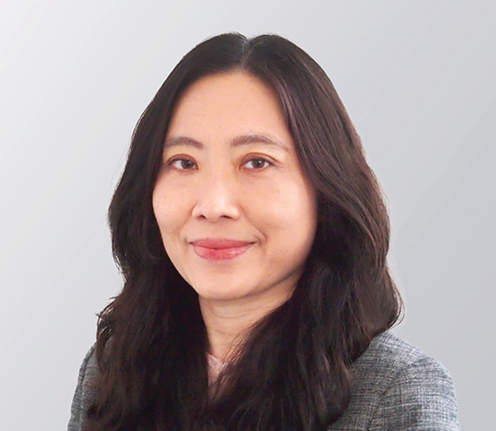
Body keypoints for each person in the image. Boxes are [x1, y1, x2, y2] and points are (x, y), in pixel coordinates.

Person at [68, 33, 459, 431]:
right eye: (184, 162)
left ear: (326, 186)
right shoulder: (113, 369)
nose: (213, 206)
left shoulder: (394, 389)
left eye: (257, 162)